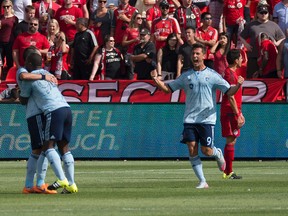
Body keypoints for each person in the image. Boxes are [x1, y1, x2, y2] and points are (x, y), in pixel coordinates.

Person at [150, 43, 245, 189]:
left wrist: (238, 86)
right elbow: (168, 89)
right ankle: (202, 181)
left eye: (197, 54)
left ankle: (217, 153)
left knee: (206, 151)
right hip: (190, 119)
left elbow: (229, 92)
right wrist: (157, 81)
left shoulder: (213, 75)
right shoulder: (186, 76)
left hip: (207, 119)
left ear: (204, 55)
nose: (194, 56)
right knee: (191, 148)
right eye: (193, 54)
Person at [19, 52, 78, 194]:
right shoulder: (48, 73)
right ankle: (71, 184)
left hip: (53, 111)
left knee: (47, 146)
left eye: (27, 62)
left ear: (30, 64)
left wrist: (17, 95)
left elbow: (24, 98)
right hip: (66, 108)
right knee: (64, 147)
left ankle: (61, 179)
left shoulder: (28, 76)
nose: (25, 64)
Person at [18, 46, 58, 194]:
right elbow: (23, 79)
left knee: (41, 148)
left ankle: (34, 184)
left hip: (42, 112)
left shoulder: (38, 73)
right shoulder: (22, 71)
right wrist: (43, 77)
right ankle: (34, 184)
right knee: (42, 148)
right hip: (35, 114)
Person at [239, 4, 285, 78]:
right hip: (254, 55)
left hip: (269, 59)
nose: (263, 14)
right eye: (261, 13)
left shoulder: (273, 25)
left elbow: (282, 37)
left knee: (269, 80)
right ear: (257, 14)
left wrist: (276, 43)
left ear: (268, 14)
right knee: (252, 78)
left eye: (265, 13)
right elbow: (241, 36)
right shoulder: (251, 25)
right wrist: (246, 44)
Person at [221, 49, 245, 180]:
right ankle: (227, 172)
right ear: (236, 60)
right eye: (241, 58)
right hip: (230, 111)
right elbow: (230, 96)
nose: (242, 60)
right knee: (231, 139)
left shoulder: (232, 74)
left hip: (232, 111)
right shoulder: (230, 74)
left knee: (232, 140)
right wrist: (238, 114)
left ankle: (228, 171)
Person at [0, 0, 18, 79]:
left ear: (11, 7)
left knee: (10, 61)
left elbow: (16, 31)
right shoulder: (0, 17)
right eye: (4, 7)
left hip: (10, 42)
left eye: (8, 6)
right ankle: (1, 78)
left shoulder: (15, 18)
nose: (6, 8)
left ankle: (9, 78)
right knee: (0, 62)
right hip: (0, 42)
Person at [122, 12, 142, 79]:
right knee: (131, 73)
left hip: (140, 54)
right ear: (134, 19)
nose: (140, 19)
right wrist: (133, 40)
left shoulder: (143, 30)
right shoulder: (129, 29)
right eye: (138, 18)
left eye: (141, 18)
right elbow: (123, 43)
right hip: (131, 53)